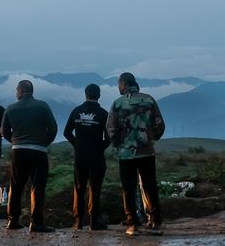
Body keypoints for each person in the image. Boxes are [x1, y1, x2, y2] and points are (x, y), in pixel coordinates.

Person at [106, 72, 165, 237]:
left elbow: (111, 129)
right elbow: (159, 124)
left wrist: (119, 143)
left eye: (119, 84)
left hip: (126, 154)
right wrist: (150, 138)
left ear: (123, 84)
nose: (118, 87)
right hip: (147, 151)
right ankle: (154, 222)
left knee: (128, 188)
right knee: (150, 187)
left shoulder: (117, 103)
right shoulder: (149, 100)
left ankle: (132, 224)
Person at [0, 80, 58, 232]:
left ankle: (12, 221)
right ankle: (36, 223)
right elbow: (53, 128)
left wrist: (15, 141)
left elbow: (5, 131)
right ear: (31, 91)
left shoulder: (11, 108)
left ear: (20, 91)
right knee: (37, 186)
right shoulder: (43, 106)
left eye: (16, 91)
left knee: (16, 185)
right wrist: (44, 142)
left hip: (18, 151)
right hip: (39, 151)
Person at [63, 83, 110, 230]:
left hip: (80, 155)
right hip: (96, 156)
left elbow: (66, 132)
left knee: (79, 187)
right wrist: (99, 148)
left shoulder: (77, 111)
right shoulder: (103, 114)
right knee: (95, 187)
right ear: (99, 95)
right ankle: (94, 221)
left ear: (85, 94)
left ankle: (78, 221)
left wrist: (77, 145)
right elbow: (109, 138)